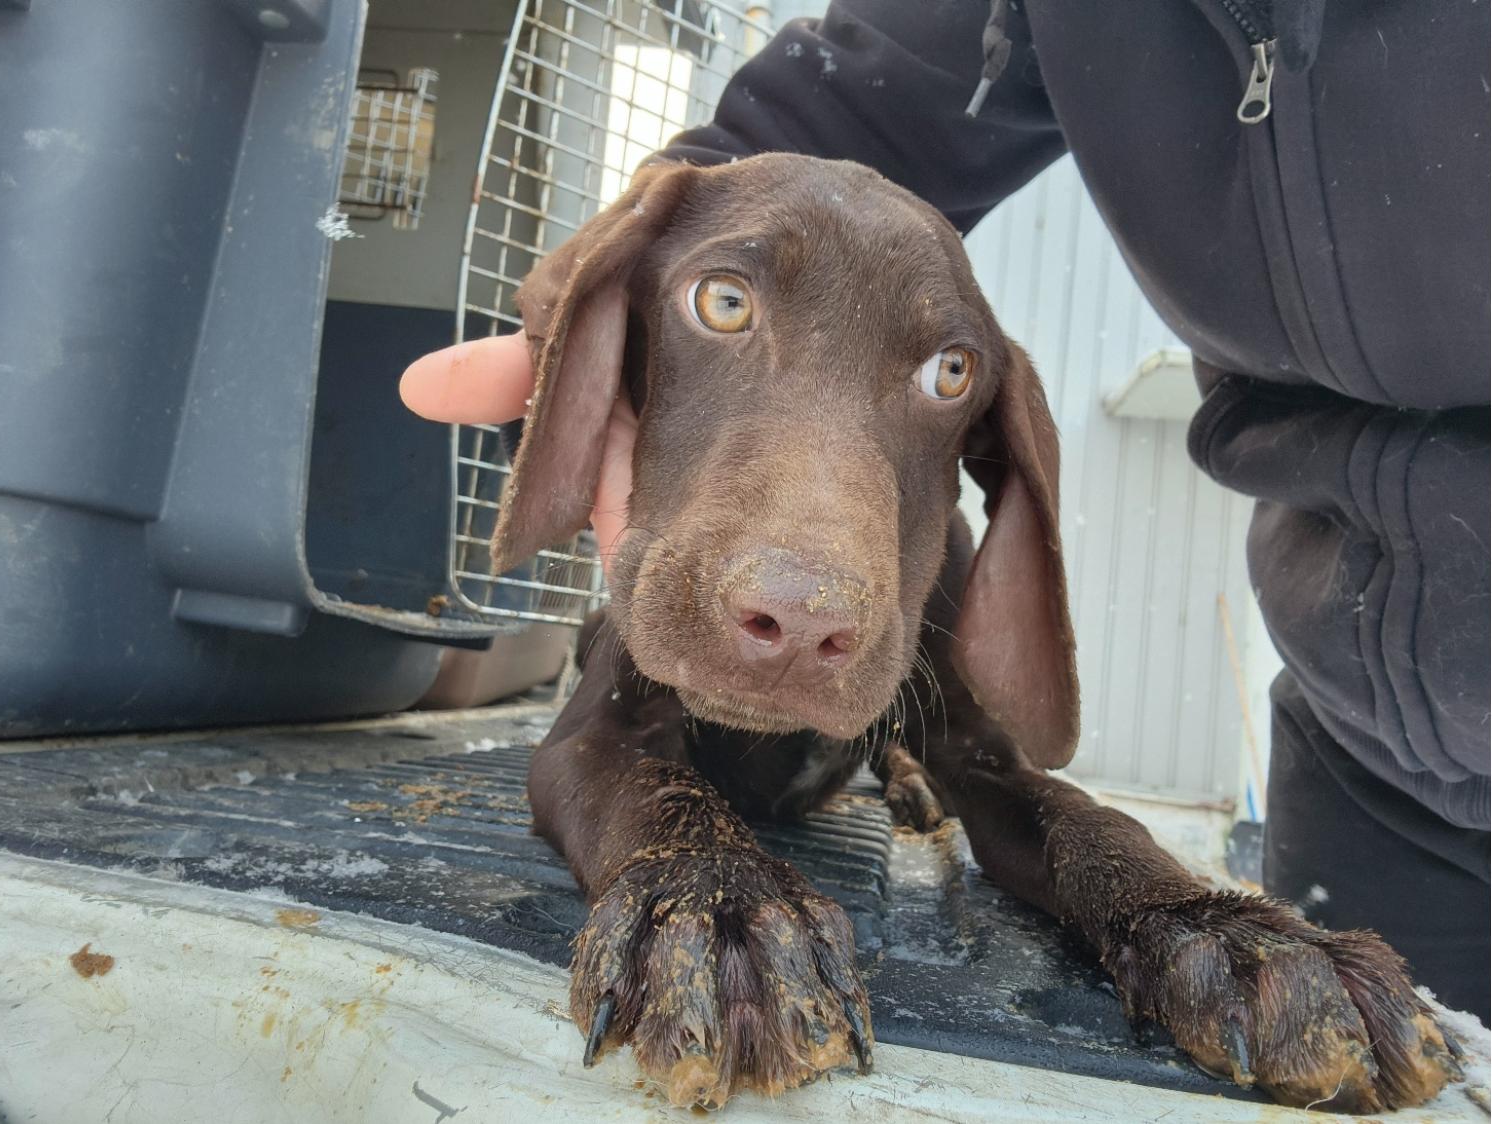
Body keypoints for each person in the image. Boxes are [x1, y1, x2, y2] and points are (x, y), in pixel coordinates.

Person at [401, 1, 1490, 1020]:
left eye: (945, 375)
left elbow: (1003, 777)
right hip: (1369, 746)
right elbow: (586, 747)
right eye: (723, 301)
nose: (805, 591)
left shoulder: (935, 567)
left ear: (988, 443)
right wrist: (586, 300)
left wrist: (1169, 907)